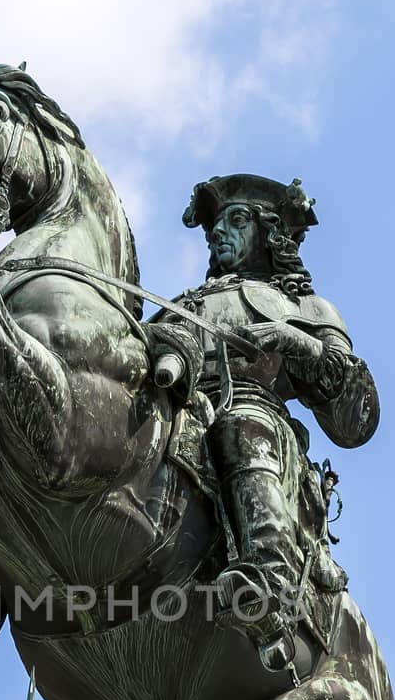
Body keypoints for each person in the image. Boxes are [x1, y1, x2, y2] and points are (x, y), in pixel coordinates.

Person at [155, 175, 379, 668]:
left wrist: (293, 339)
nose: (217, 233)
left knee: (242, 425)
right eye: (214, 225)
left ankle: (268, 583)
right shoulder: (181, 304)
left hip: (257, 418)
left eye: (236, 220)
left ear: (271, 234)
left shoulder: (305, 307)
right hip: (176, 406)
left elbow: (356, 418)